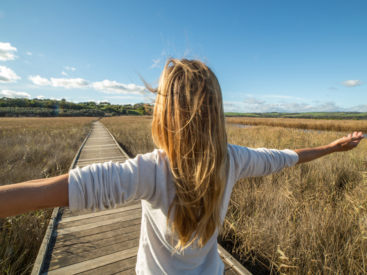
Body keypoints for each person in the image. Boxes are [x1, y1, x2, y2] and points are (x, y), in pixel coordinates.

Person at [0, 58, 364, 275]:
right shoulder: (234, 160)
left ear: (165, 114)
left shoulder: (148, 171)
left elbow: (49, 192)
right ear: (217, 113)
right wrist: (332, 148)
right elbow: (284, 157)